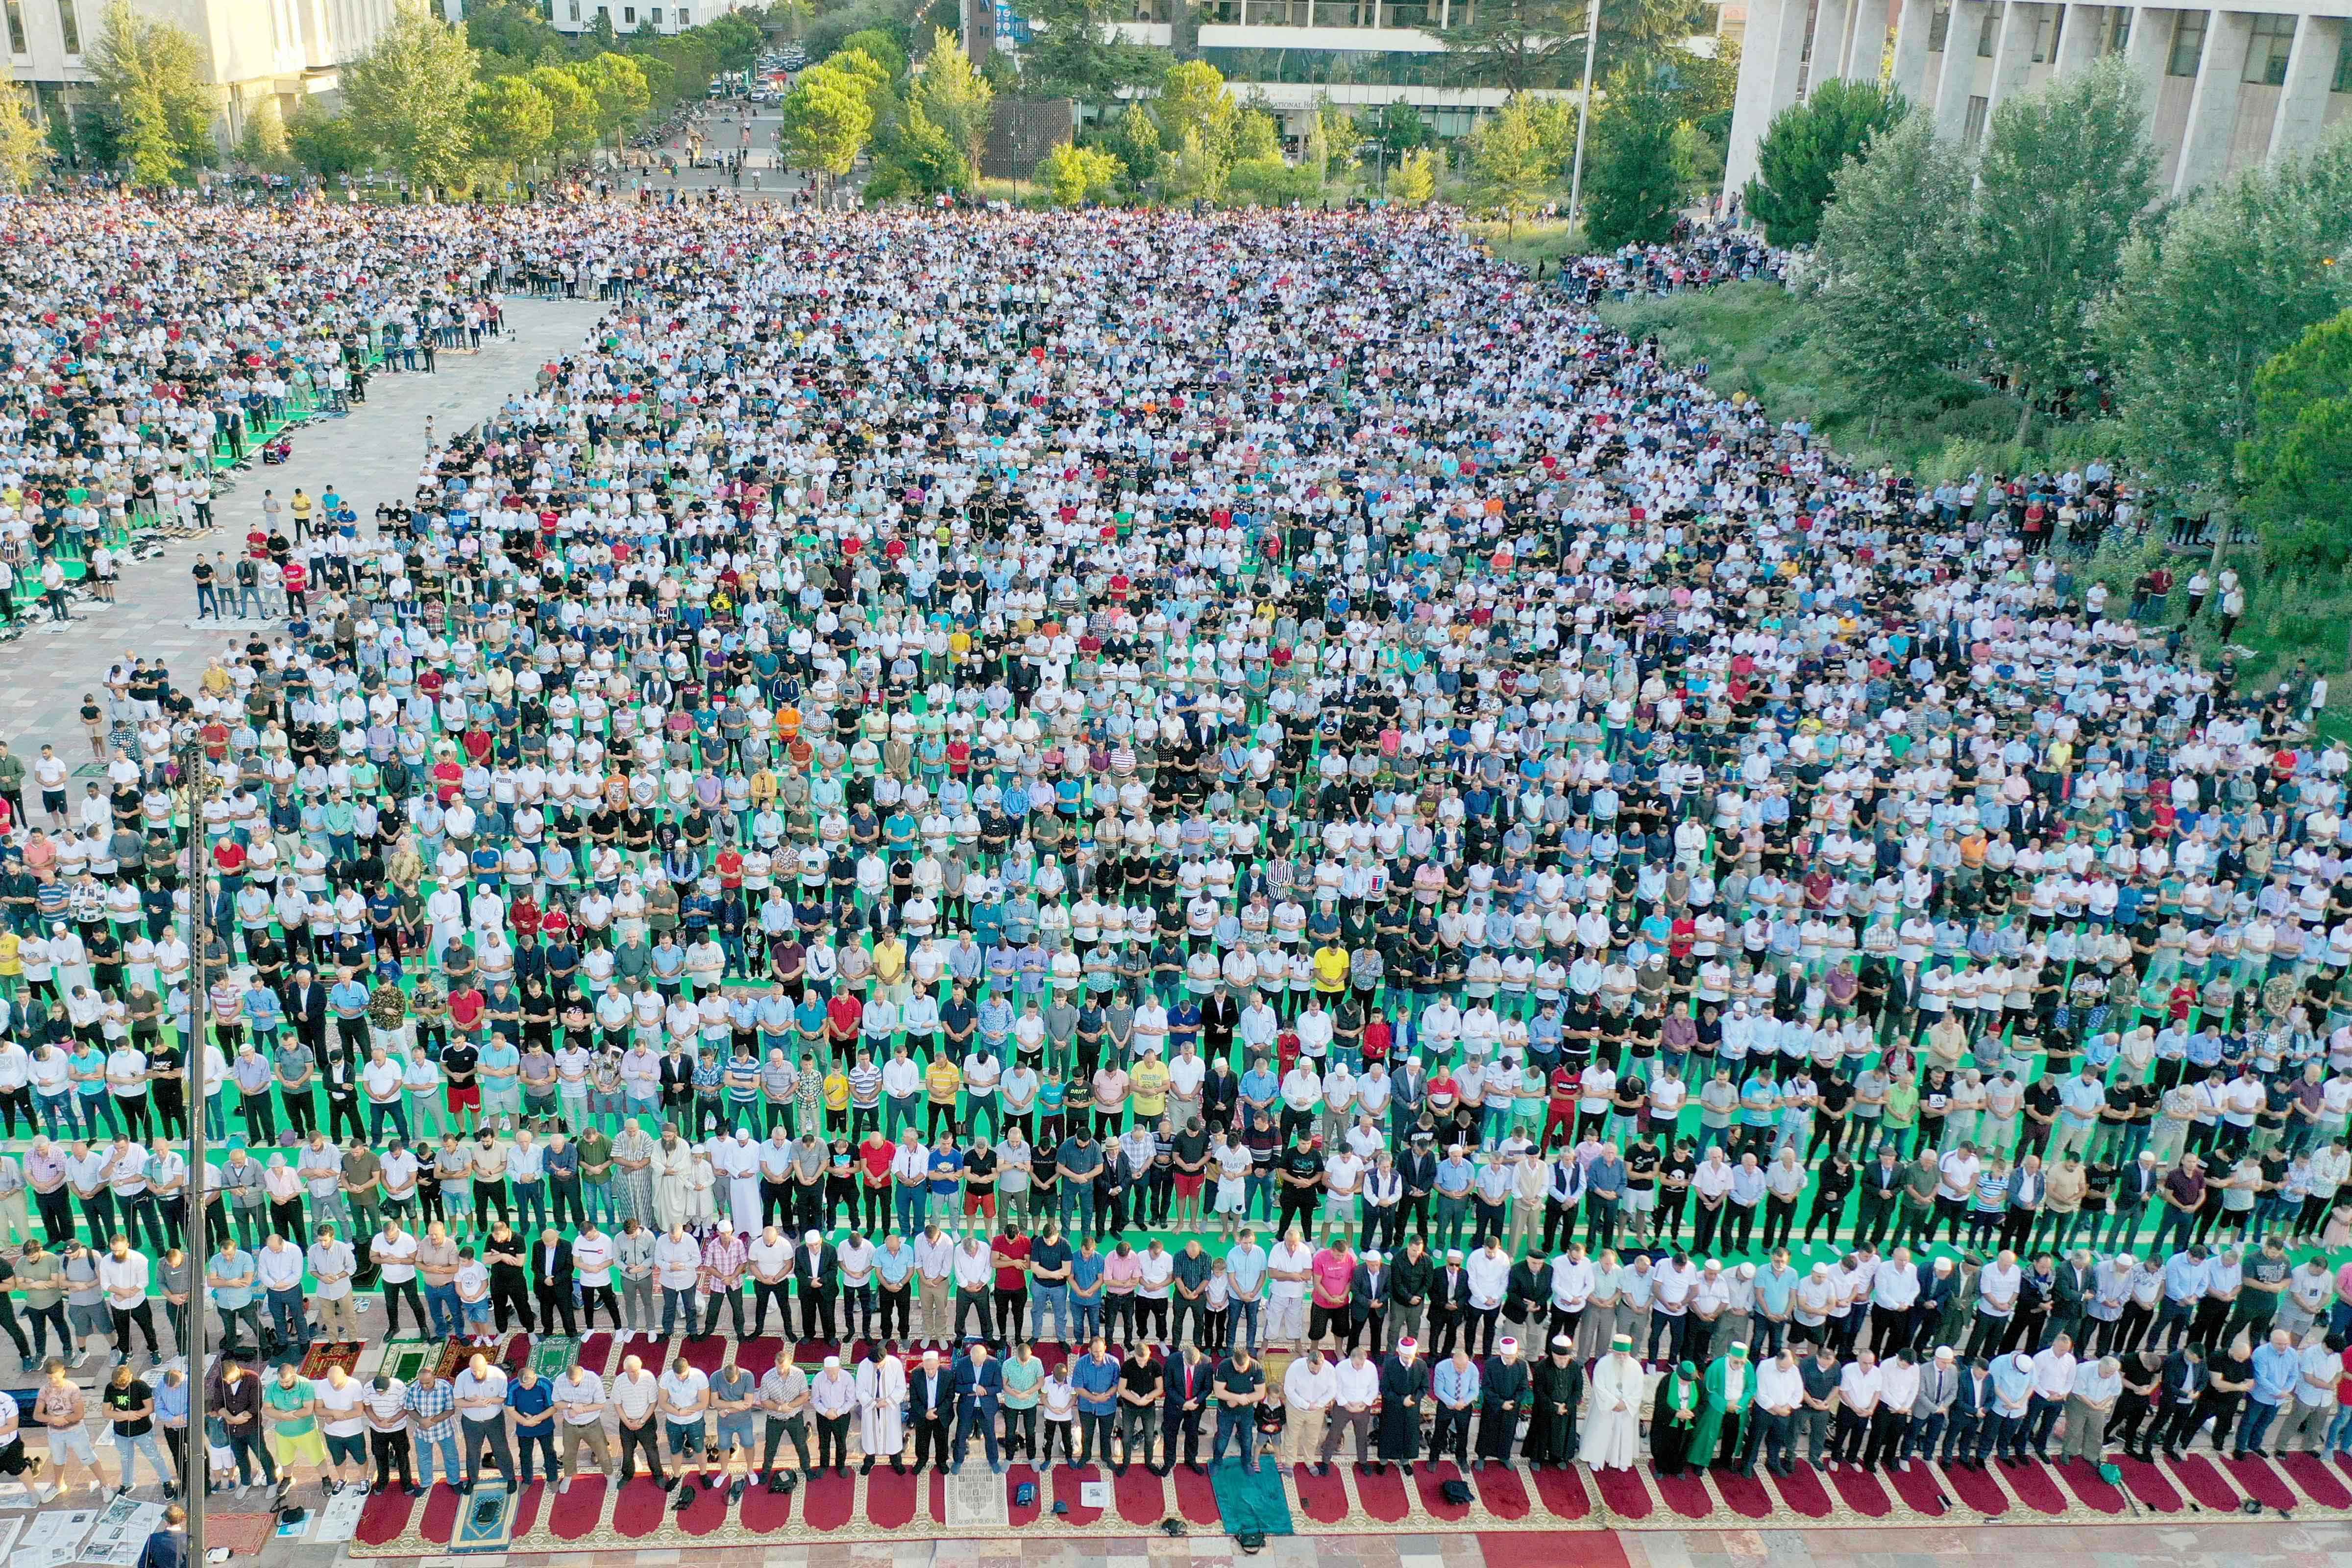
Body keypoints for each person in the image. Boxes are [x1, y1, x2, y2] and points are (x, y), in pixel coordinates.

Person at [1582, 1335, 1644, 1469]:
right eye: (1619, 1354)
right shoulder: (1603, 1364)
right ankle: (1596, 1459)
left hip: (1625, 1409)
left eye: (1624, 1355)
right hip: (1605, 1408)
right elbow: (1599, 1387)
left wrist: (1625, 1404)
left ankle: (1622, 1460)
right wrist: (1613, 1403)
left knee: (1623, 1435)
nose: (1622, 1357)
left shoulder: (1636, 1367)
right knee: (1601, 1432)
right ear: (1613, 1352)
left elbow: (1638, 1390)